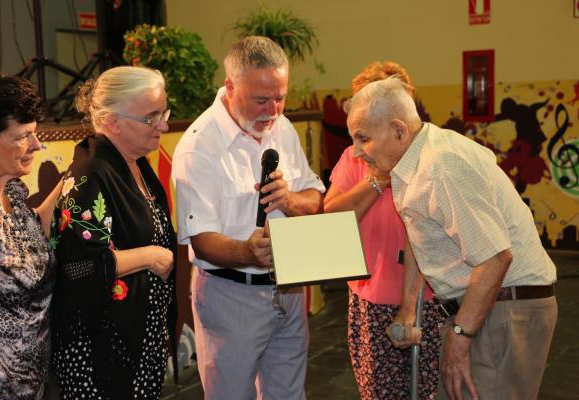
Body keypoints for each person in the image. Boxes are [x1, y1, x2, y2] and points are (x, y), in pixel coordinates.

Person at [345, 76, 557, 400]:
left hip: (506, 307)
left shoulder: (440, 166)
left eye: (363, 139)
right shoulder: (408, 164)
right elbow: (419, 235)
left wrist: (460, 334)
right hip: (485, 305)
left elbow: (495, 257)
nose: (357, 152)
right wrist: (407, 308)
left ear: (399, 130)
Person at [172, 36, 325, 400]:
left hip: (288, 289)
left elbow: (315, 198)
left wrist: (289, 200)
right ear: (229, 87)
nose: (273, 110)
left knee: (288, 394)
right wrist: (247, 252)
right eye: (261, 99)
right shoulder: (200, 145)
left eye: (280, 97)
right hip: (230, 295)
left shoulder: (282, 128)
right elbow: (201, 240)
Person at [50, 66, 176, 400]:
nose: (163, 124)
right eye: (151, 117)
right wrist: (149, 256)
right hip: (101, 349)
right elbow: (77, 267)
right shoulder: (92, 173)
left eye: (164, 112)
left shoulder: (137, 164)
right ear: (113, 122)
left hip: (137, 340)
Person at [324, 61, 444, 399]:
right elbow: (331, 217)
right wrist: (376, 181)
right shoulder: (354, 156)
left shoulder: (428, 155)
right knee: (379, 391)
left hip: (429, 298)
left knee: (430, 389)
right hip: (371, 295)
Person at [0, 71, 57, 399]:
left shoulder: (13, 189)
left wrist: (70, 185)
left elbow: (23, 242)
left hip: (33, 383)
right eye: (23, 137)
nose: (37, 146)